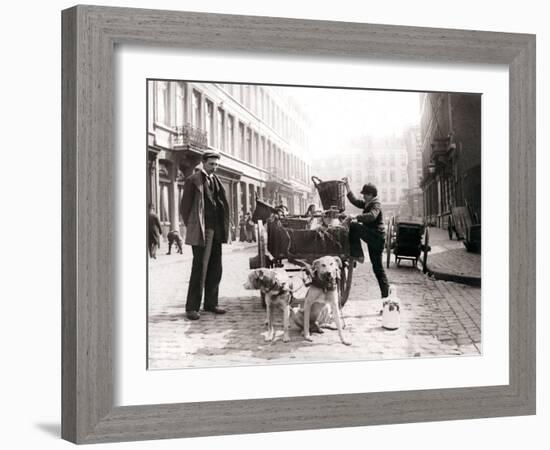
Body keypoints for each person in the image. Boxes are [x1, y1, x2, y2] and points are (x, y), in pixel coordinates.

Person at [180, 150, 230, 320]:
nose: (214, 167)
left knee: (216, 268)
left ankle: (211, 303)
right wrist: (193, 226)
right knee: (200, 268)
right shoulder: (193, 180)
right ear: (203, 162)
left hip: (216, 231)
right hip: (202, 231)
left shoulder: (216, 180)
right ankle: (192, 308)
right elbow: (184, 208)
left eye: (216, 164)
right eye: (211, 164)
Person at [343, 178, 391, 299]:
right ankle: (387, 298)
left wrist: (356, 216)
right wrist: (347, 186)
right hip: (373, 238)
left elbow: (372, 216)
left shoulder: (376, 204)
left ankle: (357, 254)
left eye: (364, 194)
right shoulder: (368, 203)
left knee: (354, 226)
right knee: (378, 270)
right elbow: (354, 201)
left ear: (370, 195)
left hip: (376, 237)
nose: (363, 197)